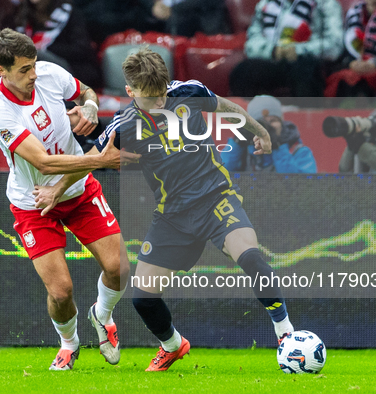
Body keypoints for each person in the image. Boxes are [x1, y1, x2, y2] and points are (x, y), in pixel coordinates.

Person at [79, 47, 294, 371]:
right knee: (143, 298)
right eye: (152, 98)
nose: (161, 102)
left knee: (250, 256)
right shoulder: (126, 124)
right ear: (131, 93)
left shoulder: (188, 91)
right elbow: (89, 160)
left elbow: (227, 107)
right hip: (173, 215)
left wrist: (259, 131)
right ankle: (173, 345)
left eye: (163, 93)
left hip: (216, 198)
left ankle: (286, 336)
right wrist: (55, 188)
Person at [0, 28, 134, 371]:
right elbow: (43, 162)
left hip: (77, 190)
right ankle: (69, 344)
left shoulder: (50, 74)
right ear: (1, 71)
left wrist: (91, 108)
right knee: (62, 291)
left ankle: (103, 316)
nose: (34, 74)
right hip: (33, 202)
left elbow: (86, 92)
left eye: (34, 64)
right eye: (24, 70)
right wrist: (100, 159)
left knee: (119, 268)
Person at [229, 0, 343, 98]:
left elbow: (334, 46)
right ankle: (247, 120)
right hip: (273, 60)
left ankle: (308, 120)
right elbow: (251, 43)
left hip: (307, 61)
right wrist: (273, 50)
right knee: (242, 71)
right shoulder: (266, 4)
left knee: (305, 69)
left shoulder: (326, 4)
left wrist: (297, 50)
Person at [16, 0, 102, 89]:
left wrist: (47, 48)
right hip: (39, 72)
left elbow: (81, 49)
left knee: (34, 56)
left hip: (73, 68)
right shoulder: (23, 12)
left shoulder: (67, 12)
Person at [222, 95, 317, 173]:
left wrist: (277, 146)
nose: (266, 128)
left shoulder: (299, 152)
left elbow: (299, 187)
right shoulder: (243, 150)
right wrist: (238, 141)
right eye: (260, 123)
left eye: (273, 121)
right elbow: (219, 175)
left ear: (281, 123)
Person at [325, 0, 376, 97]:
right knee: (342, 78)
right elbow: (345, 47)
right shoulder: (354, 12)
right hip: (355, 64)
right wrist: (351, 63)